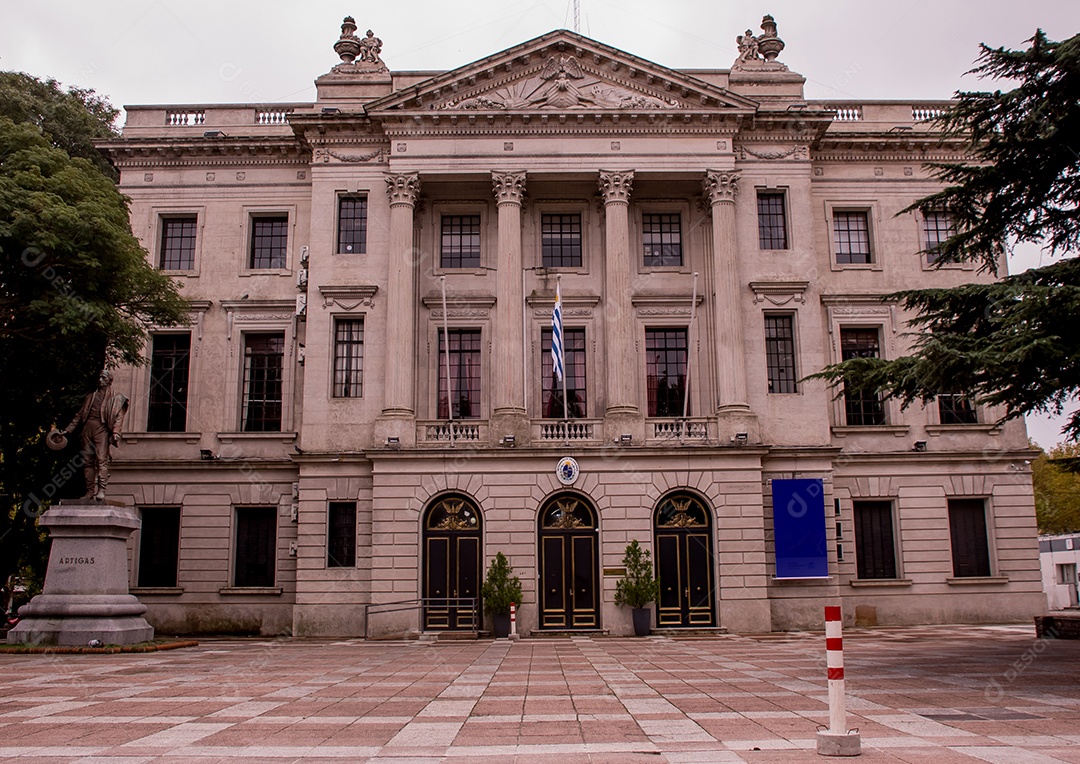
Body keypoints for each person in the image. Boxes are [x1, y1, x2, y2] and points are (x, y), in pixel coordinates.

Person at [58, 369, 128, 501]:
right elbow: (79, 416)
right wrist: (67, 430)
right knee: (87, 462)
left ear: (109, 381)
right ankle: (90, 491)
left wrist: (115, 432)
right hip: (87, 428)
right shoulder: (90, 397)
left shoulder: (116, 398)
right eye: (100, 377)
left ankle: (101, 490)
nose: (100, 380)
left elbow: (119, 417)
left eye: (104, 378)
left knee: (101, 461)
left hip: (101, 429)